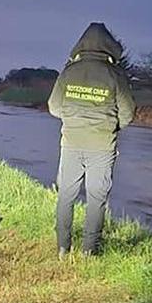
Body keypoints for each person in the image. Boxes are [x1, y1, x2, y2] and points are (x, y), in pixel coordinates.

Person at [47, 22, 135, 256]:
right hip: (102, 146)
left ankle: (63, 248)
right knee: (96, 199)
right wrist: (110, 126)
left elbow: (54, 107)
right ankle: (89, 250)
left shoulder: (69, 71)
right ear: (110, 46)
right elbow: (127, 113)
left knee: (65, 195)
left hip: (71, 143)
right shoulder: (115, 74)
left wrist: (73, 119)